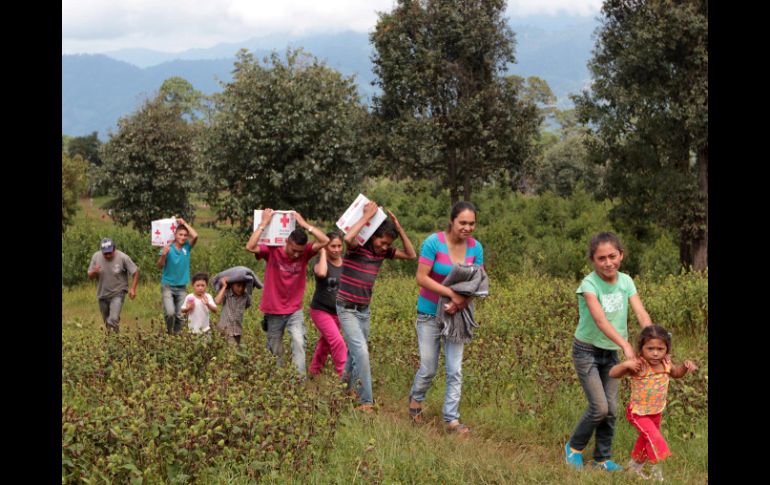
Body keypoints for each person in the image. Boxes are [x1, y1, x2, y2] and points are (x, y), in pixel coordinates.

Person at [565, 232, 653, 472]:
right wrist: (626, 345)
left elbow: (641, 313)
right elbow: (601, 321)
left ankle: (601, 459)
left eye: (612, 256)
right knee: (599, 407)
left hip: (610, 354)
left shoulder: (626, 281)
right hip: (587, 352)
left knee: (612, 409)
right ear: (593, 261)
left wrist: (654, 338)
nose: (608, 263)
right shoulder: (589, 285)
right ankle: (574, 447)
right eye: (601, 258)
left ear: (621, 255)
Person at [407, 201, 484, 433]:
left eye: (471, 223)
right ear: (452, 221)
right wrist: (451, 293)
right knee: (429, 367)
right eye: (463, 222)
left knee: (454, 369)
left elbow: (478, 281)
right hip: (429, 313)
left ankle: (452, 419)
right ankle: (415, 400)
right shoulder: (433, 243)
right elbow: (422, 277)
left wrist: (461, 302)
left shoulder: (475, 248)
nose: (467, 228)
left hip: (457, 316)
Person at [336, 201, 416, 411]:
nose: (384, 247)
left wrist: (399, 229)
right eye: (381, 242)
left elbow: (410, 255)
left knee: (354, 354)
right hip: (346, 308)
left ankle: (342, 392)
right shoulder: (357, 247)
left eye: (388, 244)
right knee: (361, 352)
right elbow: (347, 237)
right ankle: (366, 402)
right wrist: (367, 217)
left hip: (363, 310)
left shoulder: (383, 253)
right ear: (372, 235)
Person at [245, 209, 330, 376]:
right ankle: (279, 383)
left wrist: (305, 224)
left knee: (299, 342)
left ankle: (299, 382)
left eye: (300, 251)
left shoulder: (305, 253)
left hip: (294, 309)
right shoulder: (272, 250)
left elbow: (325, 240)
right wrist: (264, 223)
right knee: (275, 350)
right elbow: (250, 246)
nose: (296, 254)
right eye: (293, 250)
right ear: (287, 242)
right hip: (273, 310)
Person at [609, 324, 698, 481]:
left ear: (666, 350)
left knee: (645, 440)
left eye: (660, 349)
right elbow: (612, 373)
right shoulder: (639, 365)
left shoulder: (666, 363)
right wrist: (624, 365)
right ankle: (658, 474)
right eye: (650, 348)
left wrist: (684, 367)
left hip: (656, 411)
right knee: (654, 438)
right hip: (638, 412)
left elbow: (676, 373)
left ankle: (633, 468)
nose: (655, 353)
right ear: (641, 348)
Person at [308, 231, 347, 377]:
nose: (336, 249)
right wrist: (323, 250)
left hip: (339, 311)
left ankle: (314, 371)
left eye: (339, 246)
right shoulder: (320, 262)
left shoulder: (345, 262)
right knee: (337, 341)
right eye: (332, 246)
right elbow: (322, 273)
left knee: (325, 343)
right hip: (321, 310)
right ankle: (344, 378)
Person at [87, 237, 139, 332]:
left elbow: (135, 272)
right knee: (108, 324)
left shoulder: (123, 257)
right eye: (105, 253)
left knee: (113, 319)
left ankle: (113, 336)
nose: (107, 255)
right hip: (102, 295)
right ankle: (115, 342)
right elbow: (89, 276)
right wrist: (94, 271)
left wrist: (133, 289)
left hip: (118, 293)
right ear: (101, 251)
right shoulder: (96, 257)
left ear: (114, 249)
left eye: (109, 253)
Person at [157, 218, 198, 335]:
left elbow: (195, 236)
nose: (183, 237)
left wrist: (184, 223)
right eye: (180, 234)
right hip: (168, 286)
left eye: (185, 235)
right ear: (175, 235)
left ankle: (177, 335)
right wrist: (163, 255)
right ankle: (169, 332)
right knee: (170, 313)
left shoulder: (187, 247)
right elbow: (159, 266)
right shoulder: (167, 247)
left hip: (181, 287)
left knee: (181, 315)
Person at [214, 277, 251, 347]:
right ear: (232, 285)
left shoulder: (245, 296)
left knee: (235, 350)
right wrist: (224, 286)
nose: (240, 289)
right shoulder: (227, 293)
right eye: (238, 286)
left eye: (243, 286)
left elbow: (248, 305)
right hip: (225, 329)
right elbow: (217, 301)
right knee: (232, 350)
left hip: (237, 330)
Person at [181, 272, 217, 336]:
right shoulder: (189, 297)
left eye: (203, 285)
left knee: (207, 345)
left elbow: (215, 310)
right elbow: (182, 310)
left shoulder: (208, 297)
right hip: (192, 331)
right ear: (193, 285)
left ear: (206, 285)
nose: (200, 288)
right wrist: (188, 308)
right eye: (197, 285)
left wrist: (207, 304)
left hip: (206, 330)